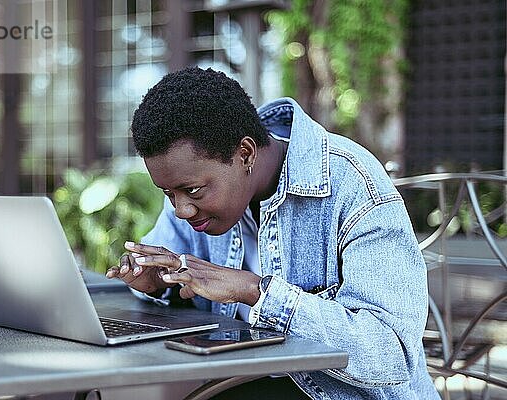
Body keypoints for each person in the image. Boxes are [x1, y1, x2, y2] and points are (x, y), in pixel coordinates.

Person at [106, 66, 440, 399]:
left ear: (246, 154)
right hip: (241, 384)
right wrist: (157, 283)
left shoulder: (352, 185)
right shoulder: (192, 187)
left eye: (191, 191)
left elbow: (391, 356)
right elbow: (166, 262)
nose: (181, 210)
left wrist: (254, 290)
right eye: (168, 194)